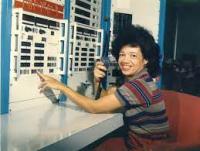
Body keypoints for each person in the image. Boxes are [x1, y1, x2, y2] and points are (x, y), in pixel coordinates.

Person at [37, 25, 170, 150]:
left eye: (133, 55)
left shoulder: (138, 86)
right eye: (122, 54)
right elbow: (106, 99)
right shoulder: (142, 81)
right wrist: (97, 80)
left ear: (145, 60)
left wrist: (61, 86)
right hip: (143, 143)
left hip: (146, 147)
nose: (125, 60)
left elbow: (94, 108)